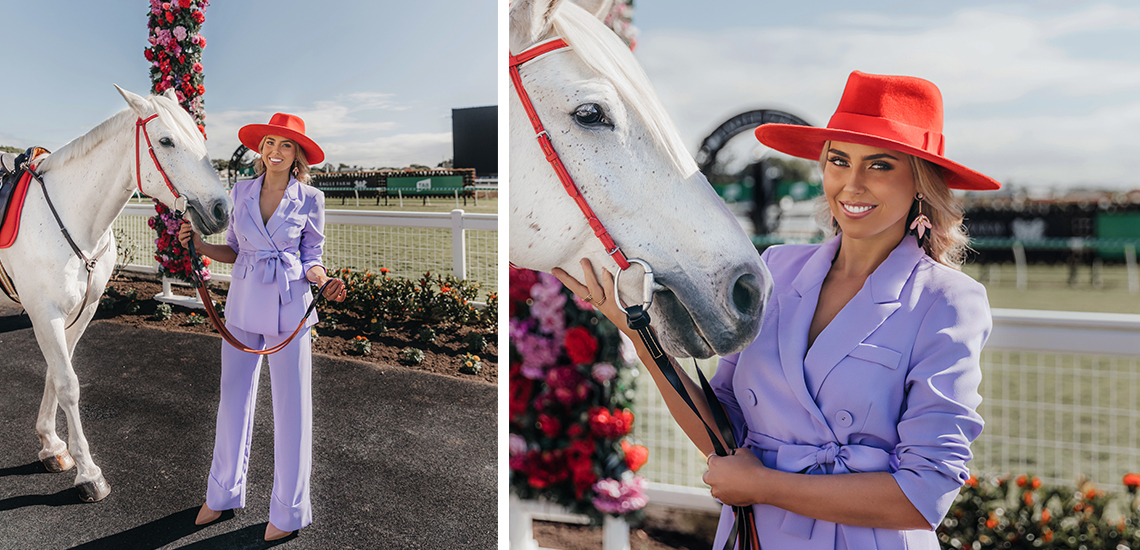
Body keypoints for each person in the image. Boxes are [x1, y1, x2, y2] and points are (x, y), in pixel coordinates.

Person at [554, 70, 1000, 549]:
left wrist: (765, 487)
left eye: (880, 165)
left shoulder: (948, 301)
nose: (851, 185)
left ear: (920, 182)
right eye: (838, 160)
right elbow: (724, 434)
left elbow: (924, 495)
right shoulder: (776, 268)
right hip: (757, 536)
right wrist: (638, 333)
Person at [178, 113, 347, 541]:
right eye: (270, 142)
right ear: (262, 148)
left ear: (297, 156)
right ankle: (221, 494)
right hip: (242, 302)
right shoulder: (241, 191)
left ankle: (288, 511)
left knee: (292, 409)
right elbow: (234, 250)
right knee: (232, 398)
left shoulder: (311, 198)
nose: (275, 150)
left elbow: (313, 256)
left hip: (291, 305)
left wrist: (324, 281)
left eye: (285, 145)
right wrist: (198, 244)